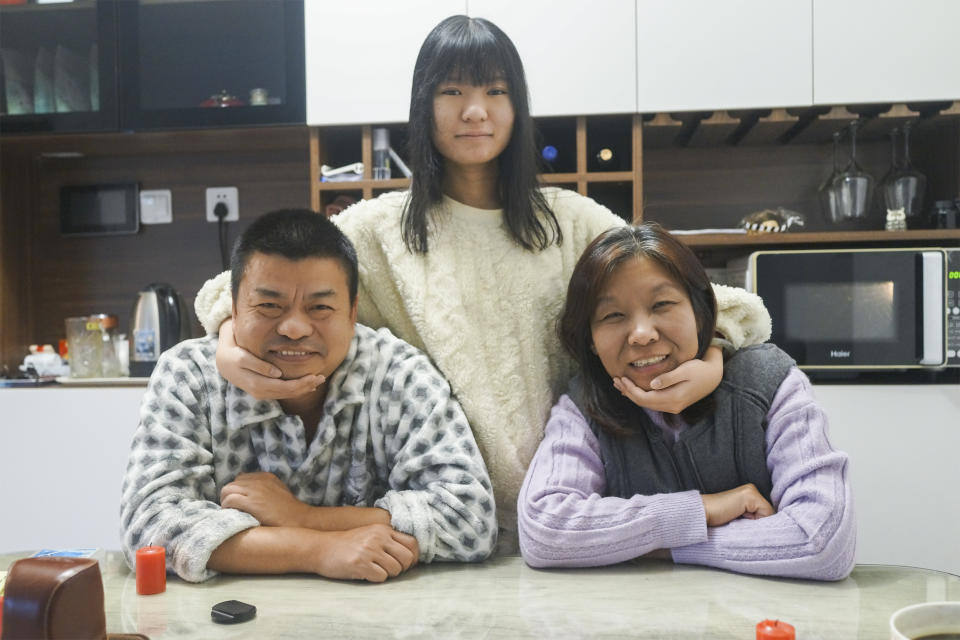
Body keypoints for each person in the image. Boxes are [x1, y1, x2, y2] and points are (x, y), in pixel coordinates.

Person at [193, 15, 771, 551]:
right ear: (424, 106)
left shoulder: (572, 221)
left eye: (496, 92)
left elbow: (713, 303)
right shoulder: (377, 230)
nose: (476, 111)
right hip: (435, 525)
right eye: (454, 92)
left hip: (580, 514)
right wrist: (226, 340)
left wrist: (714, 354)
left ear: (518, 107)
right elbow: (245, 284)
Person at [120, 209, 496, 584]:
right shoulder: (189, 377)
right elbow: (148, 526)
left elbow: (471, 519)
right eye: (269, 306)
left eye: (320, 308)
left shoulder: (398, 374)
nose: (295, 328)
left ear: (352, 313)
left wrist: (303, 517)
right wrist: (318, 549)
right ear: (232, 309)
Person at [517, 223, 855, 580]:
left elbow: (823, 540)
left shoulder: (770, 383)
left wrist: (666, 545)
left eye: (662, 304)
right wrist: (703, 509)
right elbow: (544, 531)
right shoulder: (584, 407)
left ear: (700, 312)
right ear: (589, 339)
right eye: (613, 315)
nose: (642, 334)